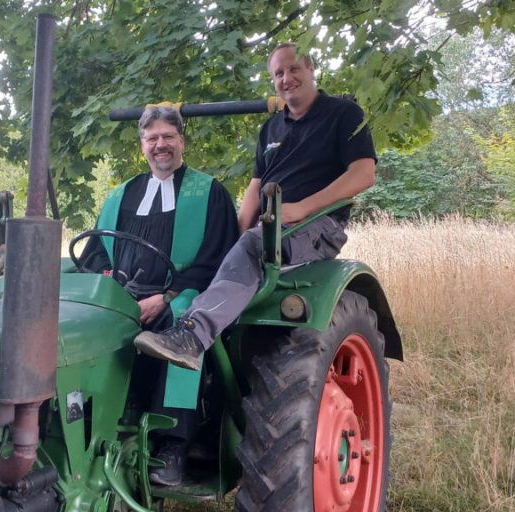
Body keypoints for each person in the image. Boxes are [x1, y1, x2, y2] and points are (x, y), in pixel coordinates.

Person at [133, 42, 377, 372]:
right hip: (271, 226)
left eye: (294, 69)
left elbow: (363, 173)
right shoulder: (271, 128)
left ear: (311, 70)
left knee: (253, 244)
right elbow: (255, 188)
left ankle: (192, 336)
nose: (286, 78)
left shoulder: (343, 114)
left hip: (317, 225)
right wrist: (229, 239)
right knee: (235, 246)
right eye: (278, 73)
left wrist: (301, 208)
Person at [79, 106, 239, 486]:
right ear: (142, 146)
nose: (160, 145)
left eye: (168, 136)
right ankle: (96, 423)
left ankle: (172, 445)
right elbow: (96, 251)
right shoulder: (121, 195)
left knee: (182, 320)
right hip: (123, 294)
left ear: (181, 141)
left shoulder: (209, 193)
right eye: (152, 139)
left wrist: (166, 295)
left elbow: (218, 258)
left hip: (178, 294)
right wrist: (112, 288)